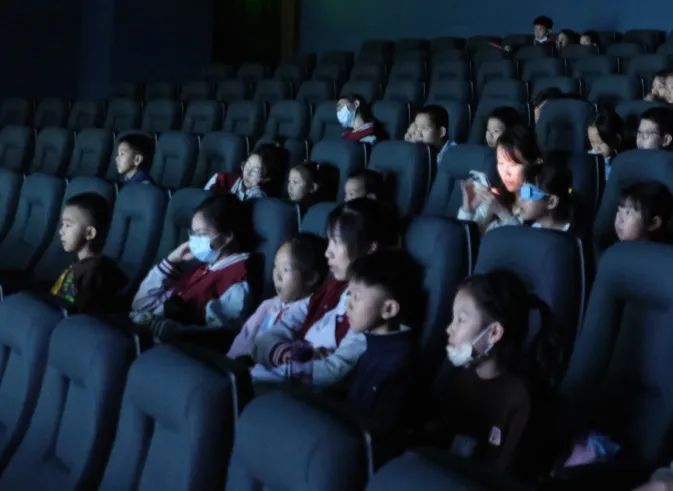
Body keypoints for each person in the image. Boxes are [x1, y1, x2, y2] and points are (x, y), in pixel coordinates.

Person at [253, 198, 400, 387]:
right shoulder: (332, 287)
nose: (327, 253)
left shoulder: (369, 306)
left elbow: (334, 370)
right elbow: (270, 336)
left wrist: (295, 363)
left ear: (370, 248)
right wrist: (287, 354)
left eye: (337, 242)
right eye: (329, 241)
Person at [436, 270, 531, 471]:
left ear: (493, 332)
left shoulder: (519, 399)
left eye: (461, 320)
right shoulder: (461, 378)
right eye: (453, 318)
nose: (449, 329)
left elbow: (503, 473)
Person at [131, 194, 253, 341]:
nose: (194, 241)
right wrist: (171, 260)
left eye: (201, 235)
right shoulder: (203, 268)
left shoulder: (238, 281)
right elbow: (141, 305)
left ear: (227, 236)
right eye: (193, 234)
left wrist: (175, 330)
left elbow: (216, 337)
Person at [346, 249, 420, 462]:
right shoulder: (374, 348)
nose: (348, 304)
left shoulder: (401, 362)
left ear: (388, 309)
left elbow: (382, 437)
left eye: (356, 297)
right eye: (349, 295)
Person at [227, 234, 327, 360]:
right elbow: (244, 337)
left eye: (285, 269)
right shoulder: (268, 305)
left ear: (311, 277)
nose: (277, 275)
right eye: (275, 266)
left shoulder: (310, 311)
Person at [51, 193, 127, 315]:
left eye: (68, 225)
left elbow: (80, 315)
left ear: (90, 233)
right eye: (62, 225)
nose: (61, 231)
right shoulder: (80, 263)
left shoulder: (94, 272)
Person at [459, 126, 541, 235]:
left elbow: (527, 241)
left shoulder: (539, 203)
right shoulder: (495, 196)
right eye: (501, 163)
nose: (505, 172)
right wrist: (468, 209)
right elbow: (464, 238)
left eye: (513, 165)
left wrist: (502, 212)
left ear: (533, 164)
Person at [204, 143, 285, 199]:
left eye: (255, 171)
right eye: (247, 165)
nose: (247, 173)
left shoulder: (262, 198)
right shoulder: (222, 178)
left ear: (266, 178)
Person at [517, 163, 574, 232]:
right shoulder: (528, 226)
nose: (519, 199)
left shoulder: (573, 235)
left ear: (551, 202)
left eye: (527, 192)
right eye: (521, 190)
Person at [587, 107, 624, 180]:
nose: (596, 148)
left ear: (616, 140)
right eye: (592, 142)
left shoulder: (619, 165)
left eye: (601, 143)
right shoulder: (588, 159)